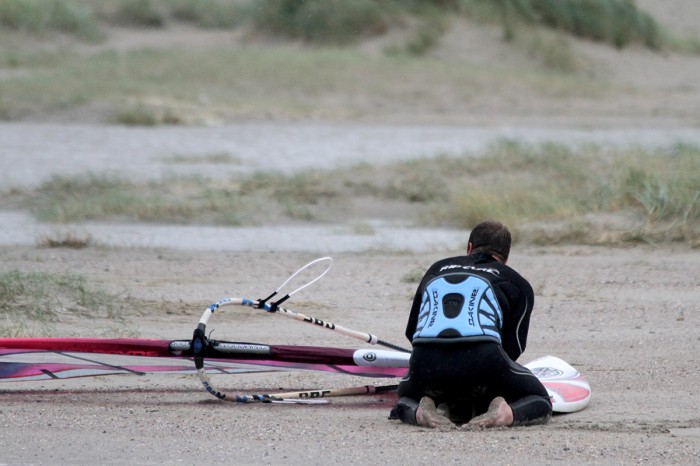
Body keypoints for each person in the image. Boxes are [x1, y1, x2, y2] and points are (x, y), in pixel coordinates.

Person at [389, 220, 552, 428]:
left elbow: (413, 332)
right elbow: (513, 349)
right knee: (540, 401)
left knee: (404, 398)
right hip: (483, 361)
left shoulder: (436, 269)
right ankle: (503, 413)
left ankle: (420, 411)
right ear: (506, 258)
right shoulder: (517, 283)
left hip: (426, 363)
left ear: (469, 248)